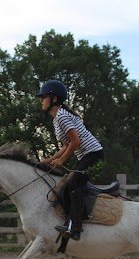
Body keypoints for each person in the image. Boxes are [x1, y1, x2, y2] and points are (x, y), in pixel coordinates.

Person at [36, 79, 104, 240]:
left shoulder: (62, 117)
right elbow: (66, 145)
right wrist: (51, 159)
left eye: (43, 97)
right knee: (67, 185)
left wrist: (61, 161)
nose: (41, 100)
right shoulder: (57, 119)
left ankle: (76, 228)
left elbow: (76, 142)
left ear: (54, 99)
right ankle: (73, 220)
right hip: (86, 155)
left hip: (93, 154)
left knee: (73, 184)